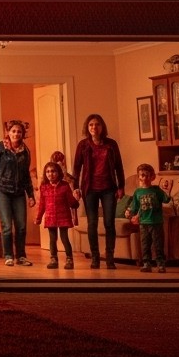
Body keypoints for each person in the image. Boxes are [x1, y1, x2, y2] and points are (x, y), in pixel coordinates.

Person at [71, 113, 126, 269]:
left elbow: (119, 166)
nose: (94, 127)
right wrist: (75, 187)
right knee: (92, 223)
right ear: (87, 128)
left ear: (102, 127)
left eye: (97, 124)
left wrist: (121, 186)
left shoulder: (111, 144)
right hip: (89, 189)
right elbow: (76, 168)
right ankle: (95, 257)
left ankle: (110, 258)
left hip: (109, 188)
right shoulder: (83, 145)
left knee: (109, 223)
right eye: (91, 125)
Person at [0, 119, 36, 266]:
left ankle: (21, 256)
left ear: (22, 134)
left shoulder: (25, 151)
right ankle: (8, 255)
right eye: (13, 131)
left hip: (19, 192)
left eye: (19, 132)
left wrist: (31, 195)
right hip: (2, 191)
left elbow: (26, 175)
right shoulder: (0, 147)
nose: (16, 134)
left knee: (21, 225)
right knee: (7, 225)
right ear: (8, 132)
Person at [34, 160, 79, 269]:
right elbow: (42, 204)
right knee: (52, 239)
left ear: (58, 172)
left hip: (63, 216)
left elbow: (71, 201)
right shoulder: (44, 186)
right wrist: (38, 217)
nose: (50, 174)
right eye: (48, 172)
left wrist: (76, 201)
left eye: (53, 171)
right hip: (50, 217)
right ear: (45, 174)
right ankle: (53, 259)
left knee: (64, 238)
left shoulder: (65, 185)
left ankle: (69, 259)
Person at [127, 163, 171, 272]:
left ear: (152, 177)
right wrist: (129, 212)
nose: (144, 178)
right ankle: (146, 263)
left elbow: (166, 199)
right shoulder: (138, 192)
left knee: (158, 244)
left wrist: (166, 190)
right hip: (143, 223)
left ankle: (160, 263)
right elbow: (135, 205)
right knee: (145, 244)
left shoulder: (156, 190)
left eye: (147, 175)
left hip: (156, 222)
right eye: (142, 175)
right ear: (139, 177)